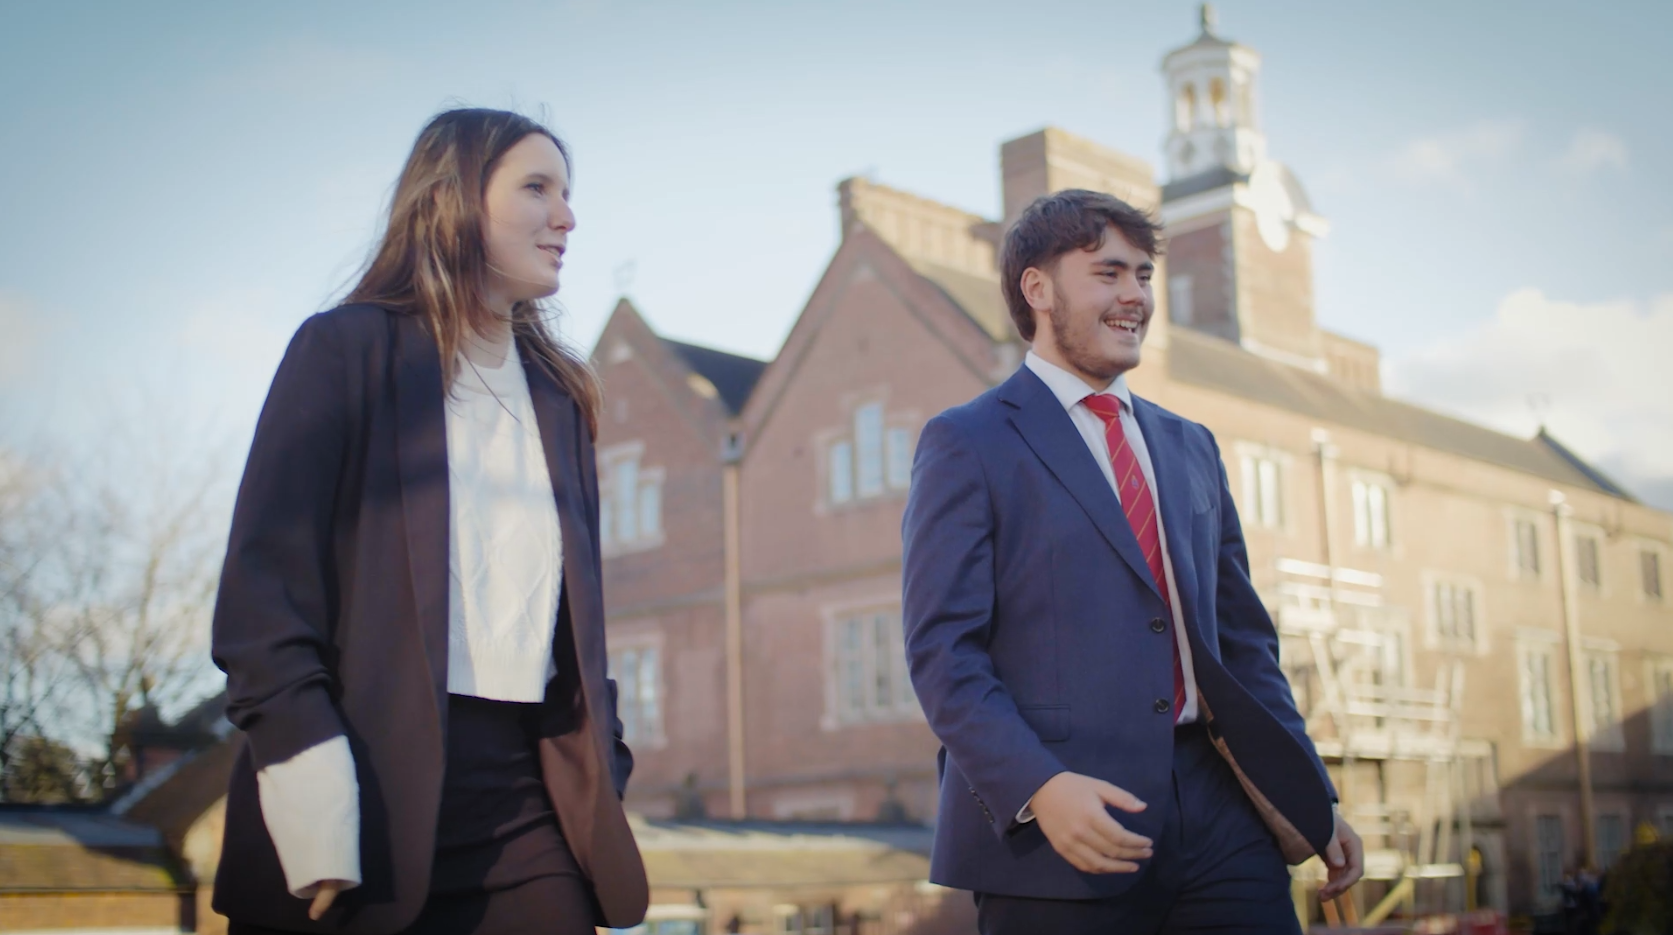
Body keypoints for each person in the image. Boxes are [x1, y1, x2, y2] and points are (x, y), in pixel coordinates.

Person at [210, 108, 648, 934]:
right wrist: (311, 790)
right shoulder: (344, 352)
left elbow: (577, 636)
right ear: (455, 200)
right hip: (359, 797)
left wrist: (604, 769)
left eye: (568, 192)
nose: (568, 216)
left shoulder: (559, 398)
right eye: (536, 188)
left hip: (526, 811)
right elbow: (261, 599)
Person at [901, 189, 1364, 933]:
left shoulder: (1191, 445)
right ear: (1038, 288)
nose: (1134, 296)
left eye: (1143, 276)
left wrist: (1310, 792)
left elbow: (1245, 645)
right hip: (1059, 822)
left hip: (1221, 813)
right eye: (1109, 274)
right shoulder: (968, 442)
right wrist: (1039, 785)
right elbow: (941, 652)